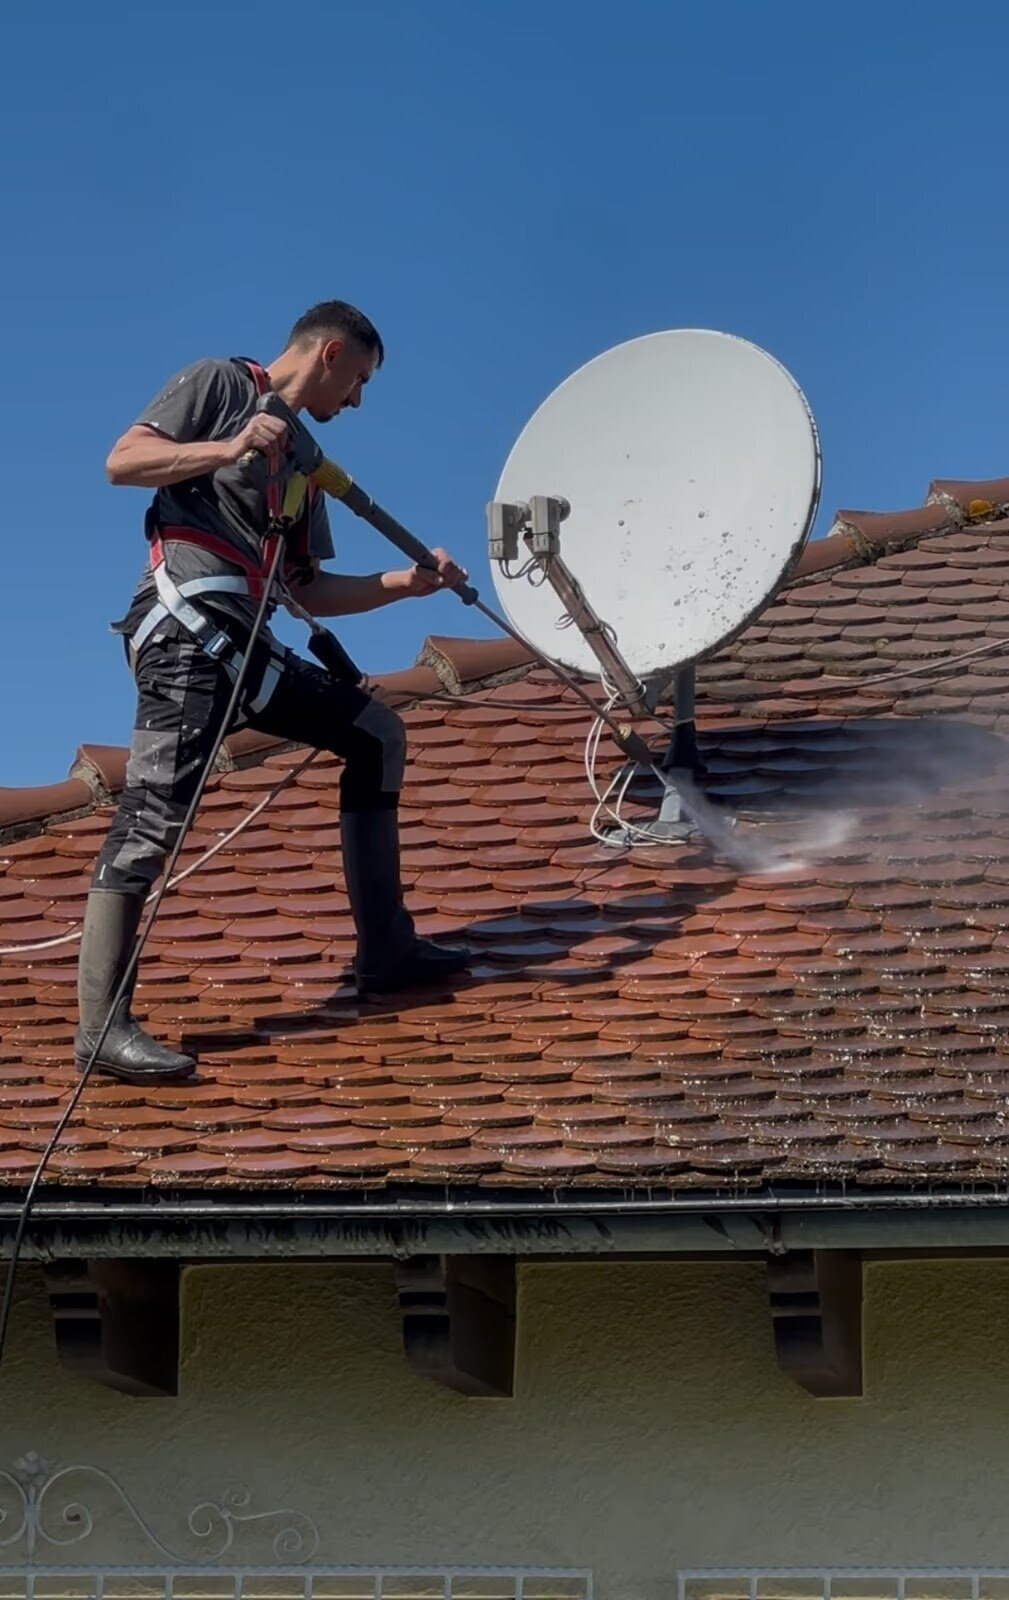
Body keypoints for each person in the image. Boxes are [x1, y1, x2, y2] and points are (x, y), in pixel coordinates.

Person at [76, 300, 470, 1085]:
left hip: (249, 650)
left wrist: (406, 583)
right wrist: (228, 443)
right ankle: (100, 1030)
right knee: (152, 821)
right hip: (187, 640)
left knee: (376, 735)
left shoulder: (305, 465)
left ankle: (385, 951)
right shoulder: (220, 384)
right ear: (328, 354)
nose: (354, 402)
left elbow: (308, 589)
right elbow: (122, 461)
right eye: (356, 381)